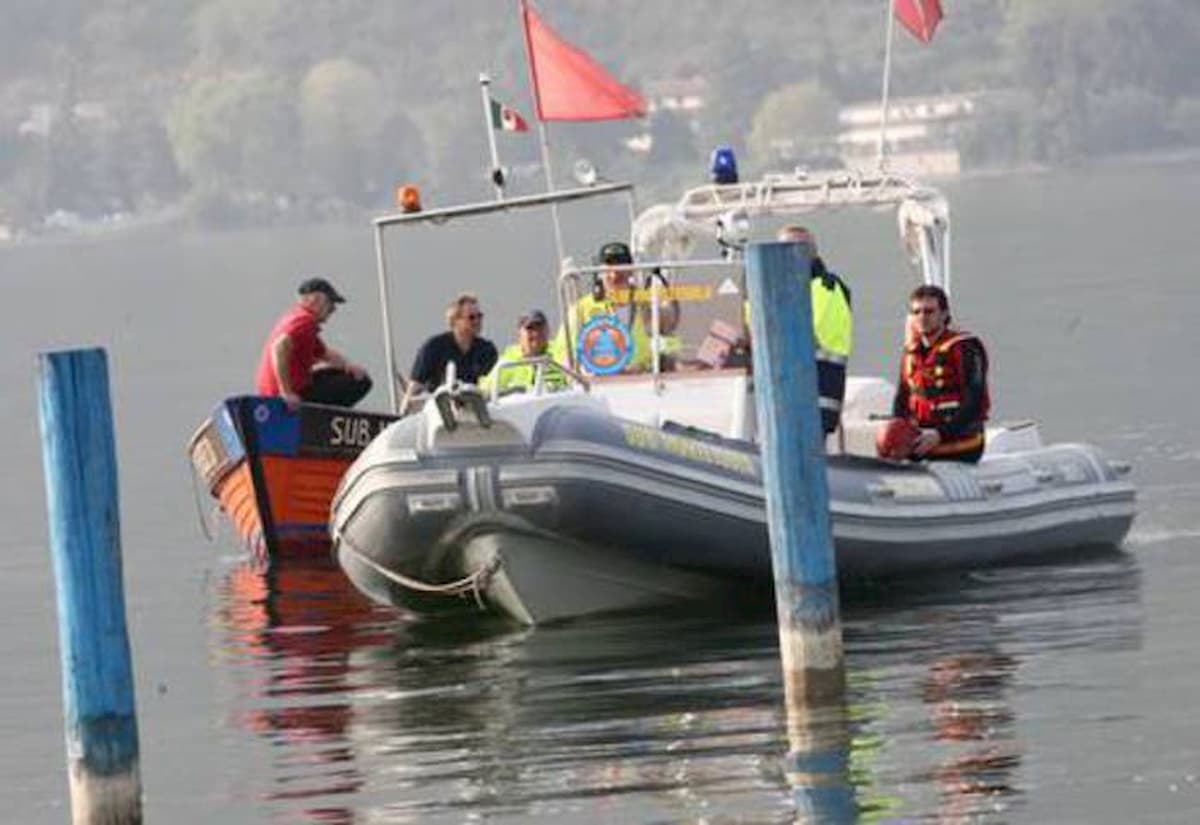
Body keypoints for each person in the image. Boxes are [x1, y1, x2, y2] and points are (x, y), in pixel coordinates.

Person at [882, 284, 990, 463]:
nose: (922, 317)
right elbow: (902, 398)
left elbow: (975, 401)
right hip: (922, 437)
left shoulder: (965, 348)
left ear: (944, 314)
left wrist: (940, 434)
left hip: (961, 440)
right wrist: (897, 432)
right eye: (916, 312)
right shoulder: (911, 352)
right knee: (885, 444)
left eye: (929, 311)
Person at [555, 241, 680, 374]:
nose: (614, 274)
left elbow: (669, 339)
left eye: (620, 266)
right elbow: (563, 354)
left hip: (643, 380)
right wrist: (584, 370)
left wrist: (661, 362)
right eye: (608, 267)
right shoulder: (581, 309)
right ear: (599, 272)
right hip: (597, 382)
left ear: (631, 270)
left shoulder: (648, 304)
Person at [776, 226, 854, 435]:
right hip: (784, 399)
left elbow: (800, 337)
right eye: (785, 249)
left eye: (800, 248)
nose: (793, 255)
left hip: (814, 398)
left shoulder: (827, 287)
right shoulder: (774, 289)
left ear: (814, 252)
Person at [255, 277, 372, 408]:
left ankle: (322, 413)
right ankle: (322, 416)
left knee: (339, 372)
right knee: (361, 382)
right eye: (330, 303)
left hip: (274, 392)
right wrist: (286, 392)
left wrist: (348, 365)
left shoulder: (296, 318)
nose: (333, 309)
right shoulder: (305, 321)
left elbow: (324, 353)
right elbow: (280, 347)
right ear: (315, 300)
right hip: (285, 395)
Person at [408, 292, 498, 390]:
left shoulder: (487, 350)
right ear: (455, 321)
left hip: (475, 398)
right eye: (471, 317)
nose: (477, 321)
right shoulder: (433, 347)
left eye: (479, 316)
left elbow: (494, 386)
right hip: (440, 398)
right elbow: (415, 387)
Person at [480, 309, 568, 394]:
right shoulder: (509, 360)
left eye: (540, 328)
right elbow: (486, 390)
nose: (536, 333)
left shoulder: (559, 352)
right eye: (530, 329)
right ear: (519, 334)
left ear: (548, 330)